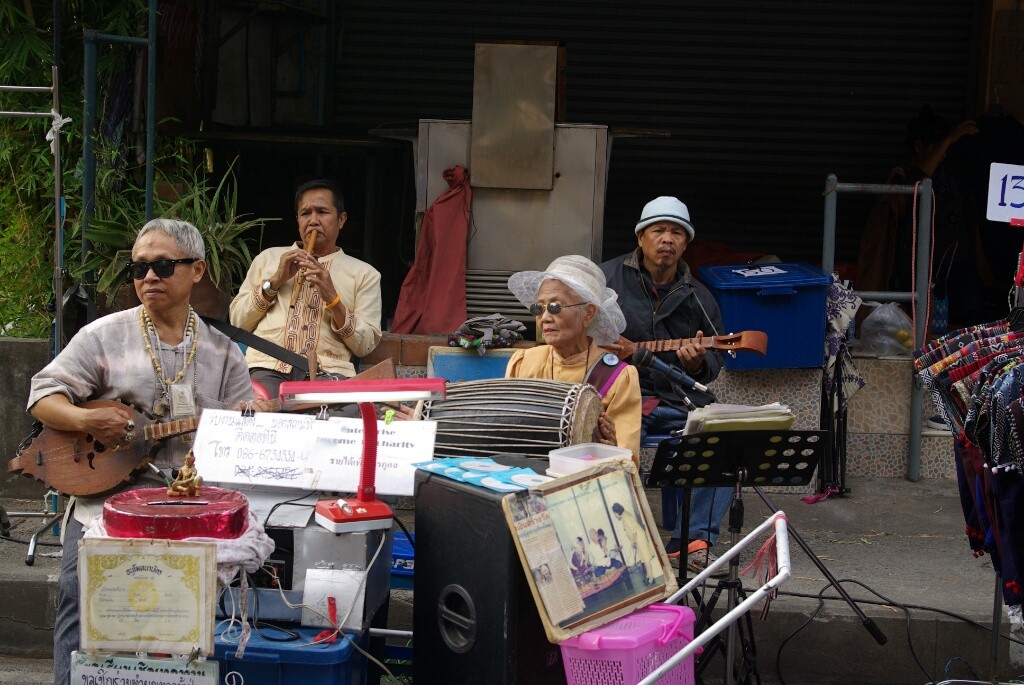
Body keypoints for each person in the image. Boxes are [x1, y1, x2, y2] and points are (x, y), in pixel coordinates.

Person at [28, 218, 254, 685]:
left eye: (163, 265)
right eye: (139, 267)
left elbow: (240, 437)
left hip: (193, 503)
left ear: (197, 270)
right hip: (104, 500)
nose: (149, 276)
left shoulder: (225, 352)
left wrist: (253, 415)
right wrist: (88, 420)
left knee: (212, 602)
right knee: (80, 590)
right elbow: (42, 396)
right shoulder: (103, 336)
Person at [601, 196, 728, 578]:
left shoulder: (698, 296)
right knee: (608, 443)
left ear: (686, 244)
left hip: (671, 399)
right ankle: (615, 543)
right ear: (641, 237)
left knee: (718, 436)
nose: (667, 239)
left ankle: (693, 542)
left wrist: (698, 362)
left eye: (676, 232)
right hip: (613, 397)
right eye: (658, 230)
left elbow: (716, 360)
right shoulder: (605, 279)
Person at [230, 179, 383, 397]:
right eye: (305, 213)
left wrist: (332, 298)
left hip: (329, 372)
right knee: (255, 418)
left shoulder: (365, 274)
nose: (313, 221)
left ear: (341, 220)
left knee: (336, 422)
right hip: (265, 367)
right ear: (297, 220)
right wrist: (274, 281)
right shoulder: (269, 259)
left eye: (322, 212)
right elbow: (237, 321)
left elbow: (365, 345)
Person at [505, 255, 642, 460]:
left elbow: (627, 457)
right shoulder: (524, 362)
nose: (544, 318)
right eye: (539, 308)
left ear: (588, 313)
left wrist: (613, 449)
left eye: (555, 307)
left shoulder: (618, 376)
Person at [611, 502, 657, 586]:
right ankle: (648, 576)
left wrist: (634, 542)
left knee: (646, 559)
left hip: (639, 539)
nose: (615, 516)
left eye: (614, 514)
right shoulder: (625, 515)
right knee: (644, 559)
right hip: (639, 538)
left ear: (616, 512)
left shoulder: (625, 518)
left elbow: (634, 531)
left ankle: (651, 579)